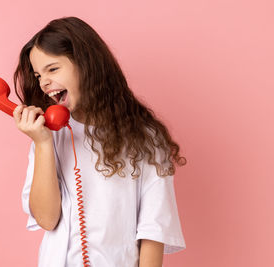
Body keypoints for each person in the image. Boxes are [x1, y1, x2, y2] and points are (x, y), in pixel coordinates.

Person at [12, 16, 187, 267]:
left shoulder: (145, 137)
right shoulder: (50, 134)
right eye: (39, 75)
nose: (44, 82)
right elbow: (47, 219)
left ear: (87, 65)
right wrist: (42, 143)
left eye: (53, 69)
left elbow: (153, 228)